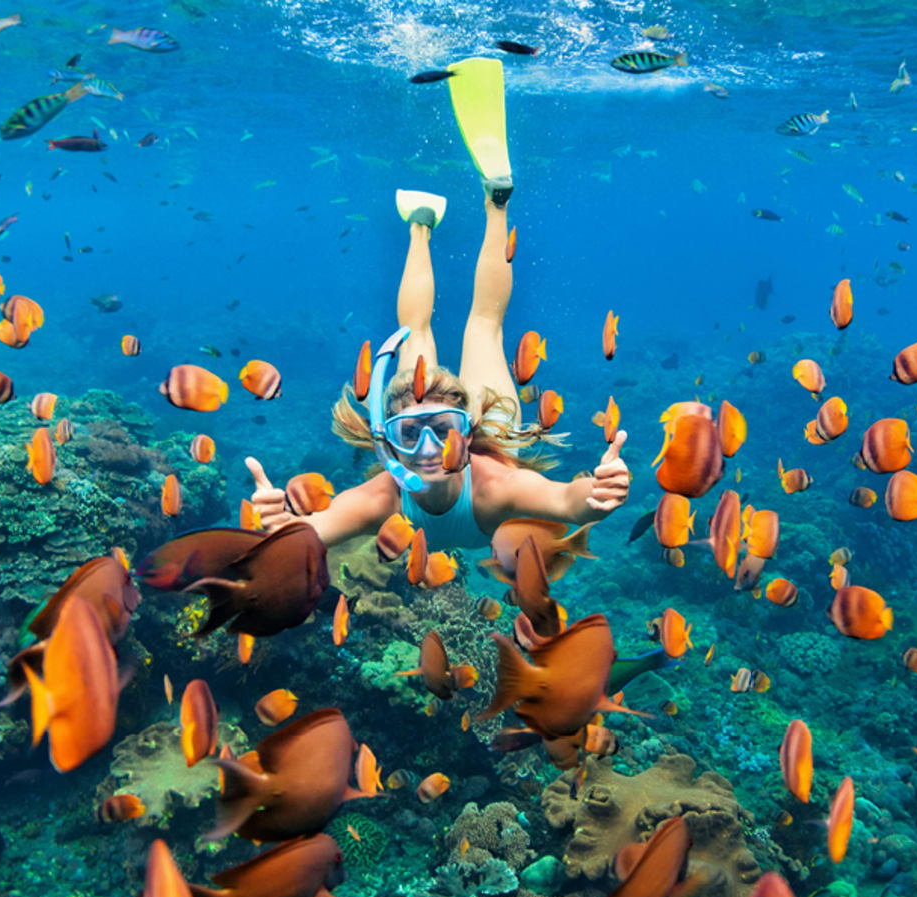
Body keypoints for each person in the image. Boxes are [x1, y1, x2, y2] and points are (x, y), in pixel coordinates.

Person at [245, 57, 630, 551]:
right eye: (411, 434)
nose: (429, 450)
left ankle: (432, 220)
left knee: (428, 329)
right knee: (483, 327)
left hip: (485, 432)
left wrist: (594, 497)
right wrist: (282, 528)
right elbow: (312, 532)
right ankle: (482, 204)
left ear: (466, 434)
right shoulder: (384, 496)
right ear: (391, 442)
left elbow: (567, 501)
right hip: (496, 420)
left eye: (442, 430)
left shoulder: (493, 486)